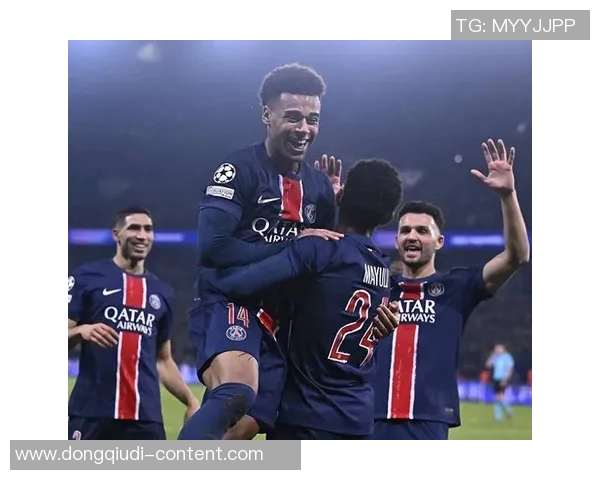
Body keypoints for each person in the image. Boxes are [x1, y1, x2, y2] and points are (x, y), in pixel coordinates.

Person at [178, 63, 345, 441]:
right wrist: (294, 243)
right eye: (293, 117)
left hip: (280, 322)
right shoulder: (237, 170)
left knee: (244, 428)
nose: (304, 129)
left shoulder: (319, 187)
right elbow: (214, 248)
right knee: (236, 392)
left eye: (313, 120)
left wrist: (338, 211)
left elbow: (323, 254)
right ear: (267, 115)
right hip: (230, 302)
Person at [210, 158, 404, 439]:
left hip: (306, 416)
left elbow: (238, 284)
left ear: (343, 195)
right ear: (388, 216)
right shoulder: (382, 270)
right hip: (358, 420)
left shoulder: (318, 250)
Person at [371, 138, 530, 440]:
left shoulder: (456, 287)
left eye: (422, 230)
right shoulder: (376, 285)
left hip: (428, 422)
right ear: (397, 240)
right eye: (405, 230)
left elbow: (517, 256)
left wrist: (508, 195)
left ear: (439, 242)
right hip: (370, 418)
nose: (412, 236)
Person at [68, 207, 200, 440]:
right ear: (116, 234)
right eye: (134, 228)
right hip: (91, 412)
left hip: (145, 418)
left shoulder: (162, 292)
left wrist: (190, 400)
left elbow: (163, 359)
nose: (142, 235)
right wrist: (81, 330)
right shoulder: (86, 278)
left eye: (148, 229)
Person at [486, 344, 515, 421]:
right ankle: (500, 415)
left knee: (500, 396)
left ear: (503, 349)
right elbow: (488, 365)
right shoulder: (495, 357)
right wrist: (492, 356)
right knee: (497, 397)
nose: (497, 350)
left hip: (503, 378)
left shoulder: (507, 357)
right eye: (496, 349)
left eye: (499, 349)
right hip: (495, 378)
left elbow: (509, 368)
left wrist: (506, 379)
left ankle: (507, 411)